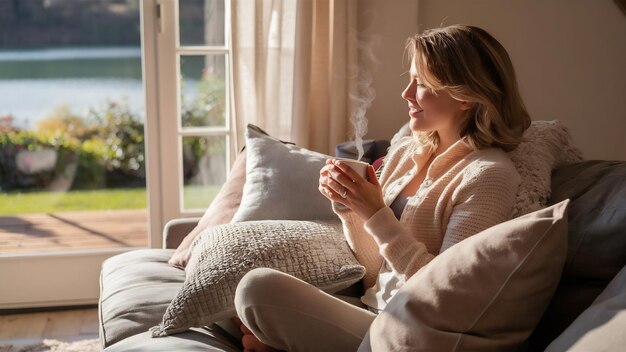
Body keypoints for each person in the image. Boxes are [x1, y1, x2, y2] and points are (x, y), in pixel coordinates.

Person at [231, 24, 531, 352]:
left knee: (256, 290)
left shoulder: (488, 176)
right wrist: (350, 206)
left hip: (417, 332)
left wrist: (376, 214)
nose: (406, 94)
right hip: (372, 310)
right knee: (234, 297)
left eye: (421, 83)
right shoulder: (406, 153)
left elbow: (446, 296)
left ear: (465, 95)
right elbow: (375, 274)